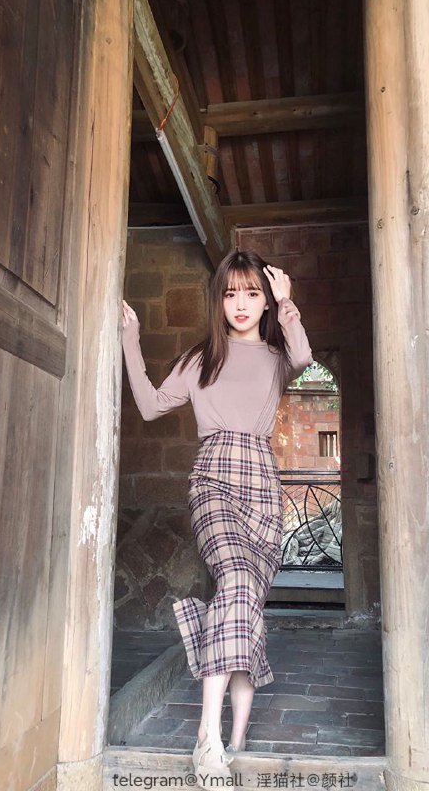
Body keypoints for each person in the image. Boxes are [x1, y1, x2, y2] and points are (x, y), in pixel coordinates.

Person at [121, 250, 312, 786]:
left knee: (245, 603)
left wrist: (288, 303)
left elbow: (304, 354)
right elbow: (151, 405)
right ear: (219, 301)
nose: (241, 304)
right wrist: (130, 339)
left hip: (263, 487)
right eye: (231, 294)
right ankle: (208, 735)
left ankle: (238, 735)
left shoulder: (277, 356)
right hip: (213, 481)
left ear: (265, 301)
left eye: (252, 293)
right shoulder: (199, 359)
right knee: (235, 582)